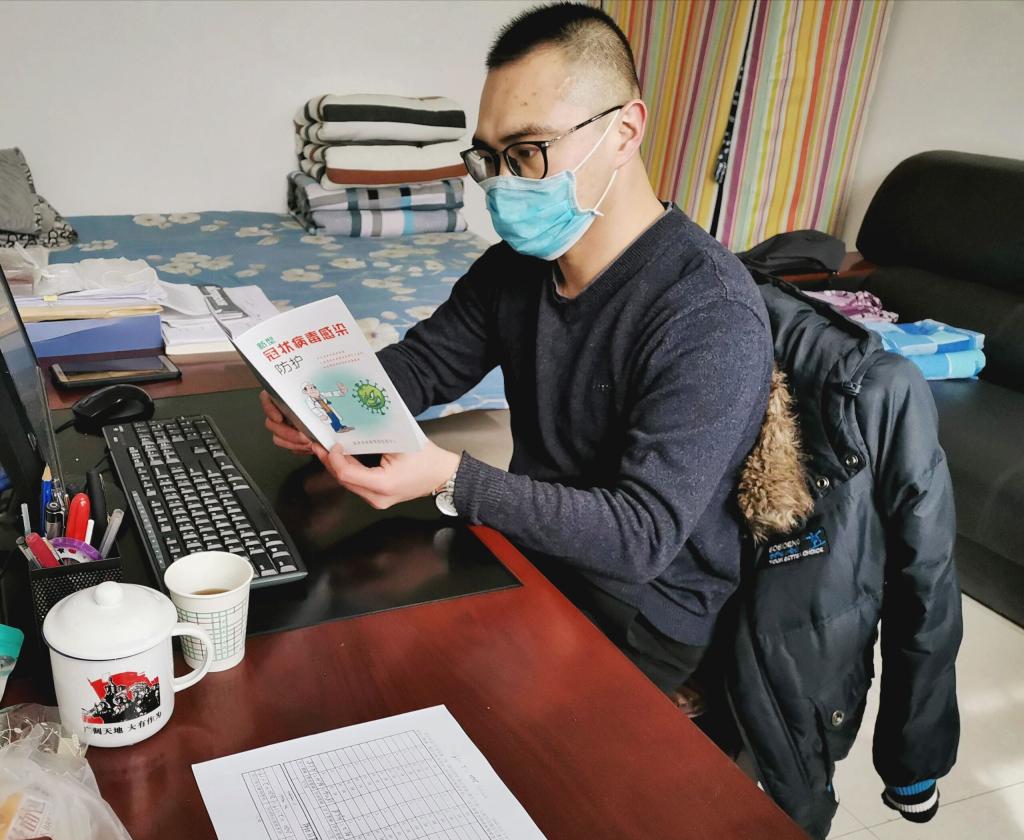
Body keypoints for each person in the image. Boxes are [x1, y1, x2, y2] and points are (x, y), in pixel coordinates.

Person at [262, 3, 773, 709]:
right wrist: (324, 398)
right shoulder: (518, 267)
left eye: (528, 151)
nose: (504, 183)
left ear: (625, 131)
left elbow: (641, 536)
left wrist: (451, 477)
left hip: (640, 605)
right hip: (533, 545)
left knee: (407, 692)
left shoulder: (708, 312)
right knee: (325, 628)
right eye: (490, 157)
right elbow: (425, 365)